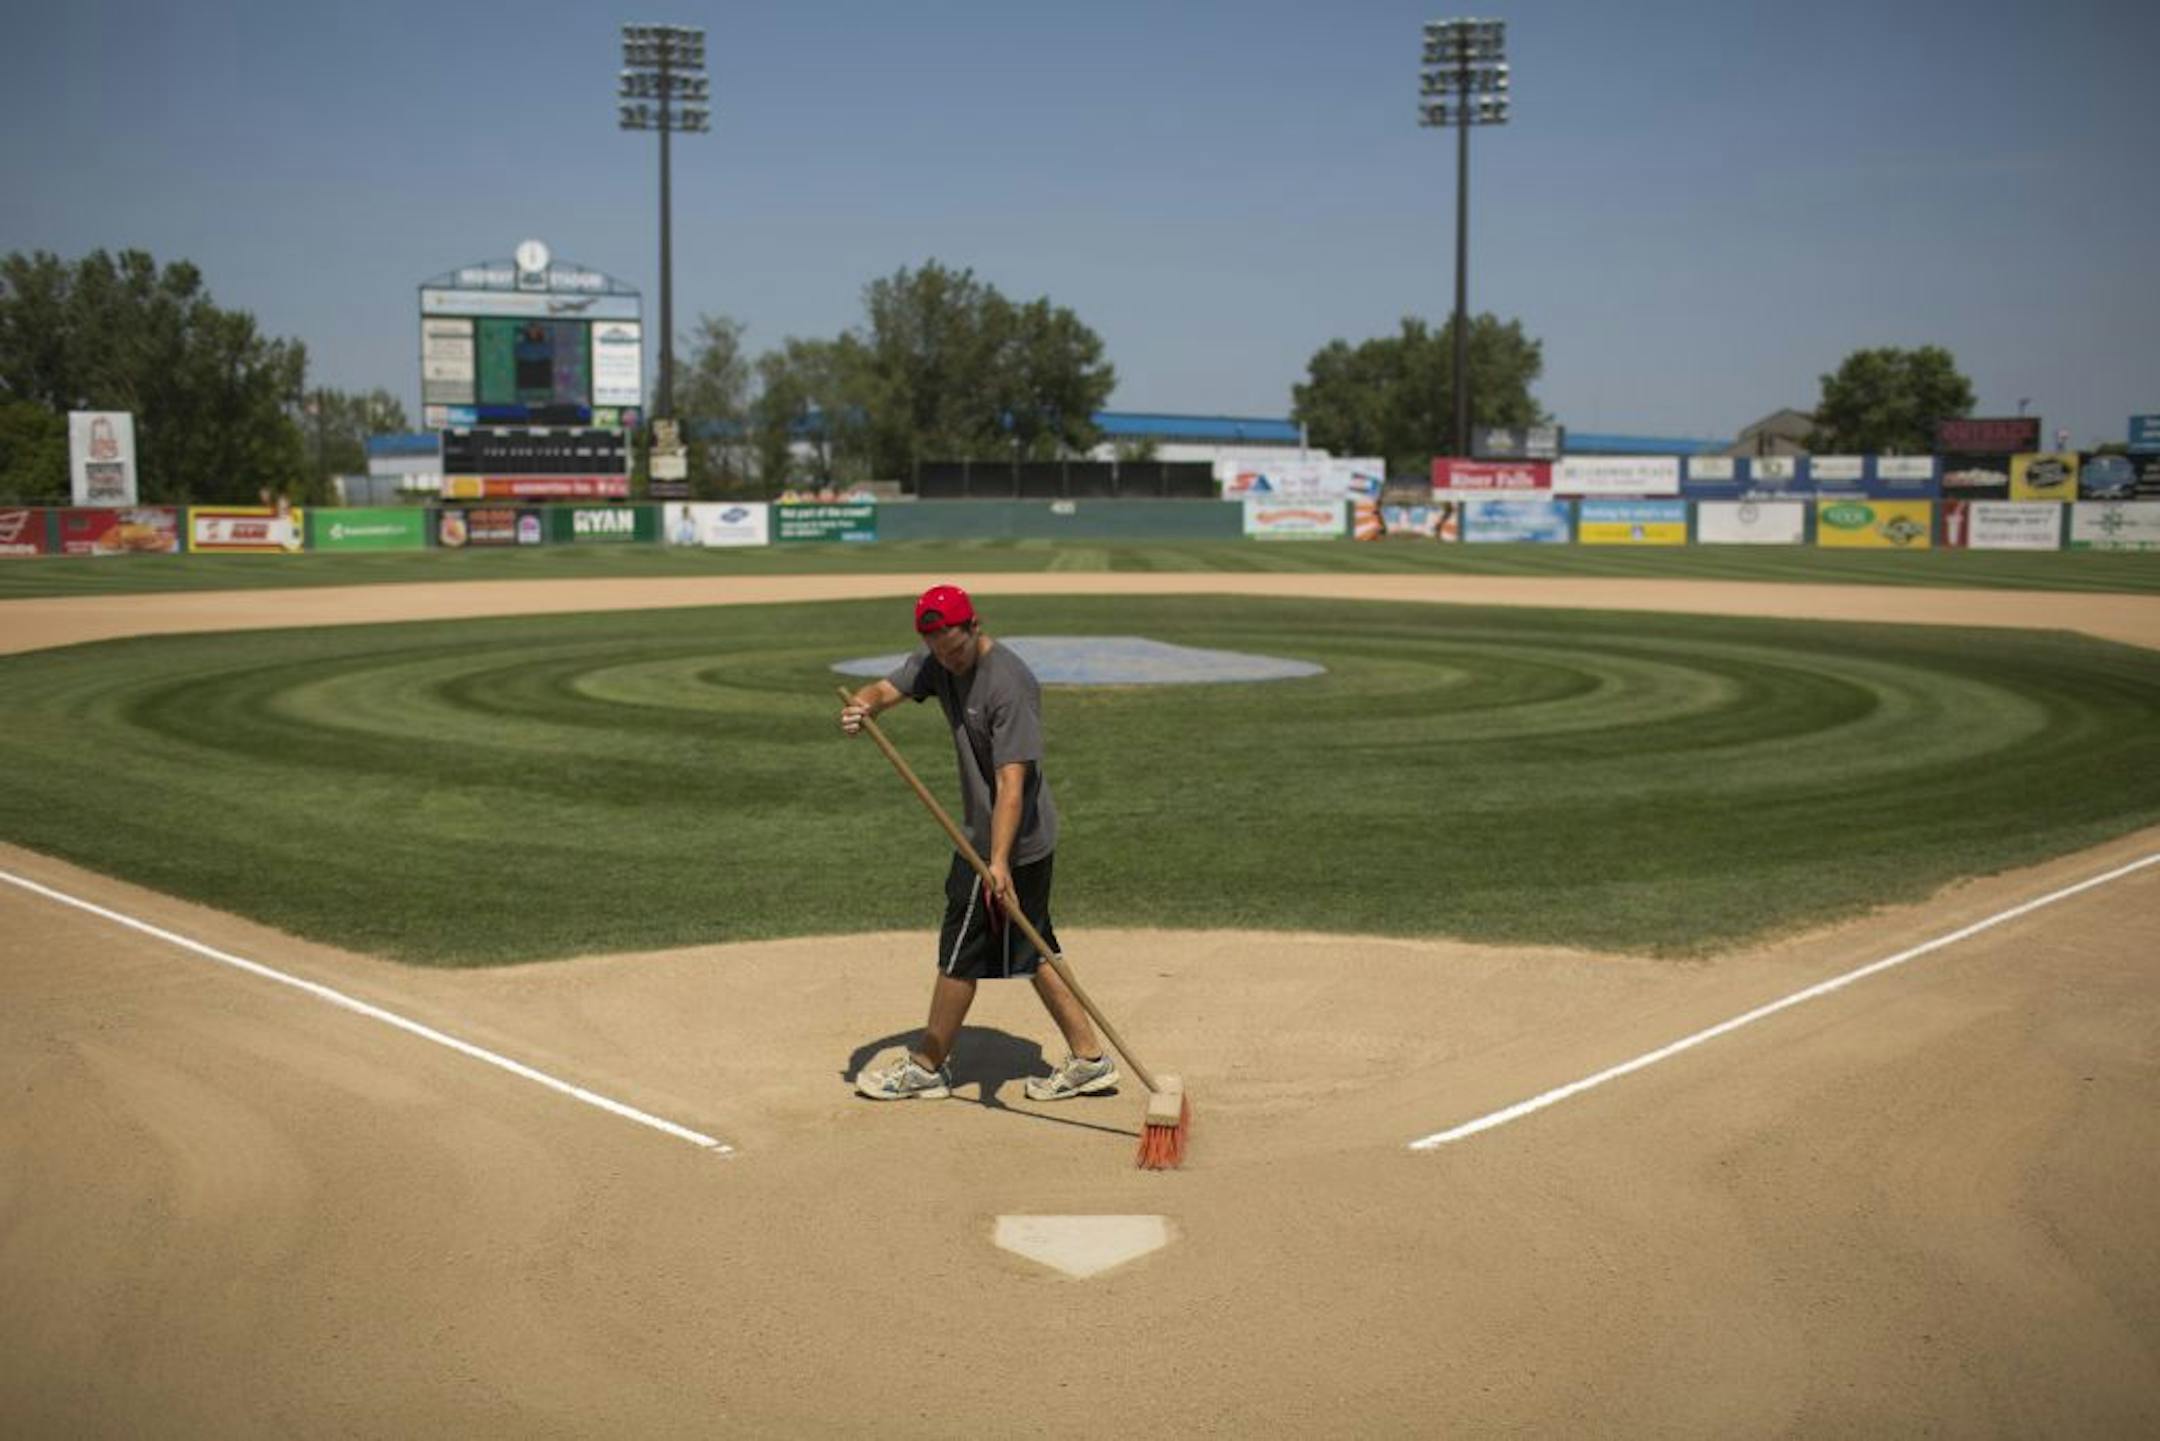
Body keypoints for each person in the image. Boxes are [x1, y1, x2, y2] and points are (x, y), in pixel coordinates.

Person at [839, 583, 1118, 1103]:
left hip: (1009, 842)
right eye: (939, 652)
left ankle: (926, 1066)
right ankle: (1089, 1060)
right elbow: (885, 689)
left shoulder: (1009, 684)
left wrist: (998, 861)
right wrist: (863, 706)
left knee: (960, 951)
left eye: (956, 648)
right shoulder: (941, 659)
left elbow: (1013, 782)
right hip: (994, 839)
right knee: (1033, 948)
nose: (949, 660)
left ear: (975, 626)